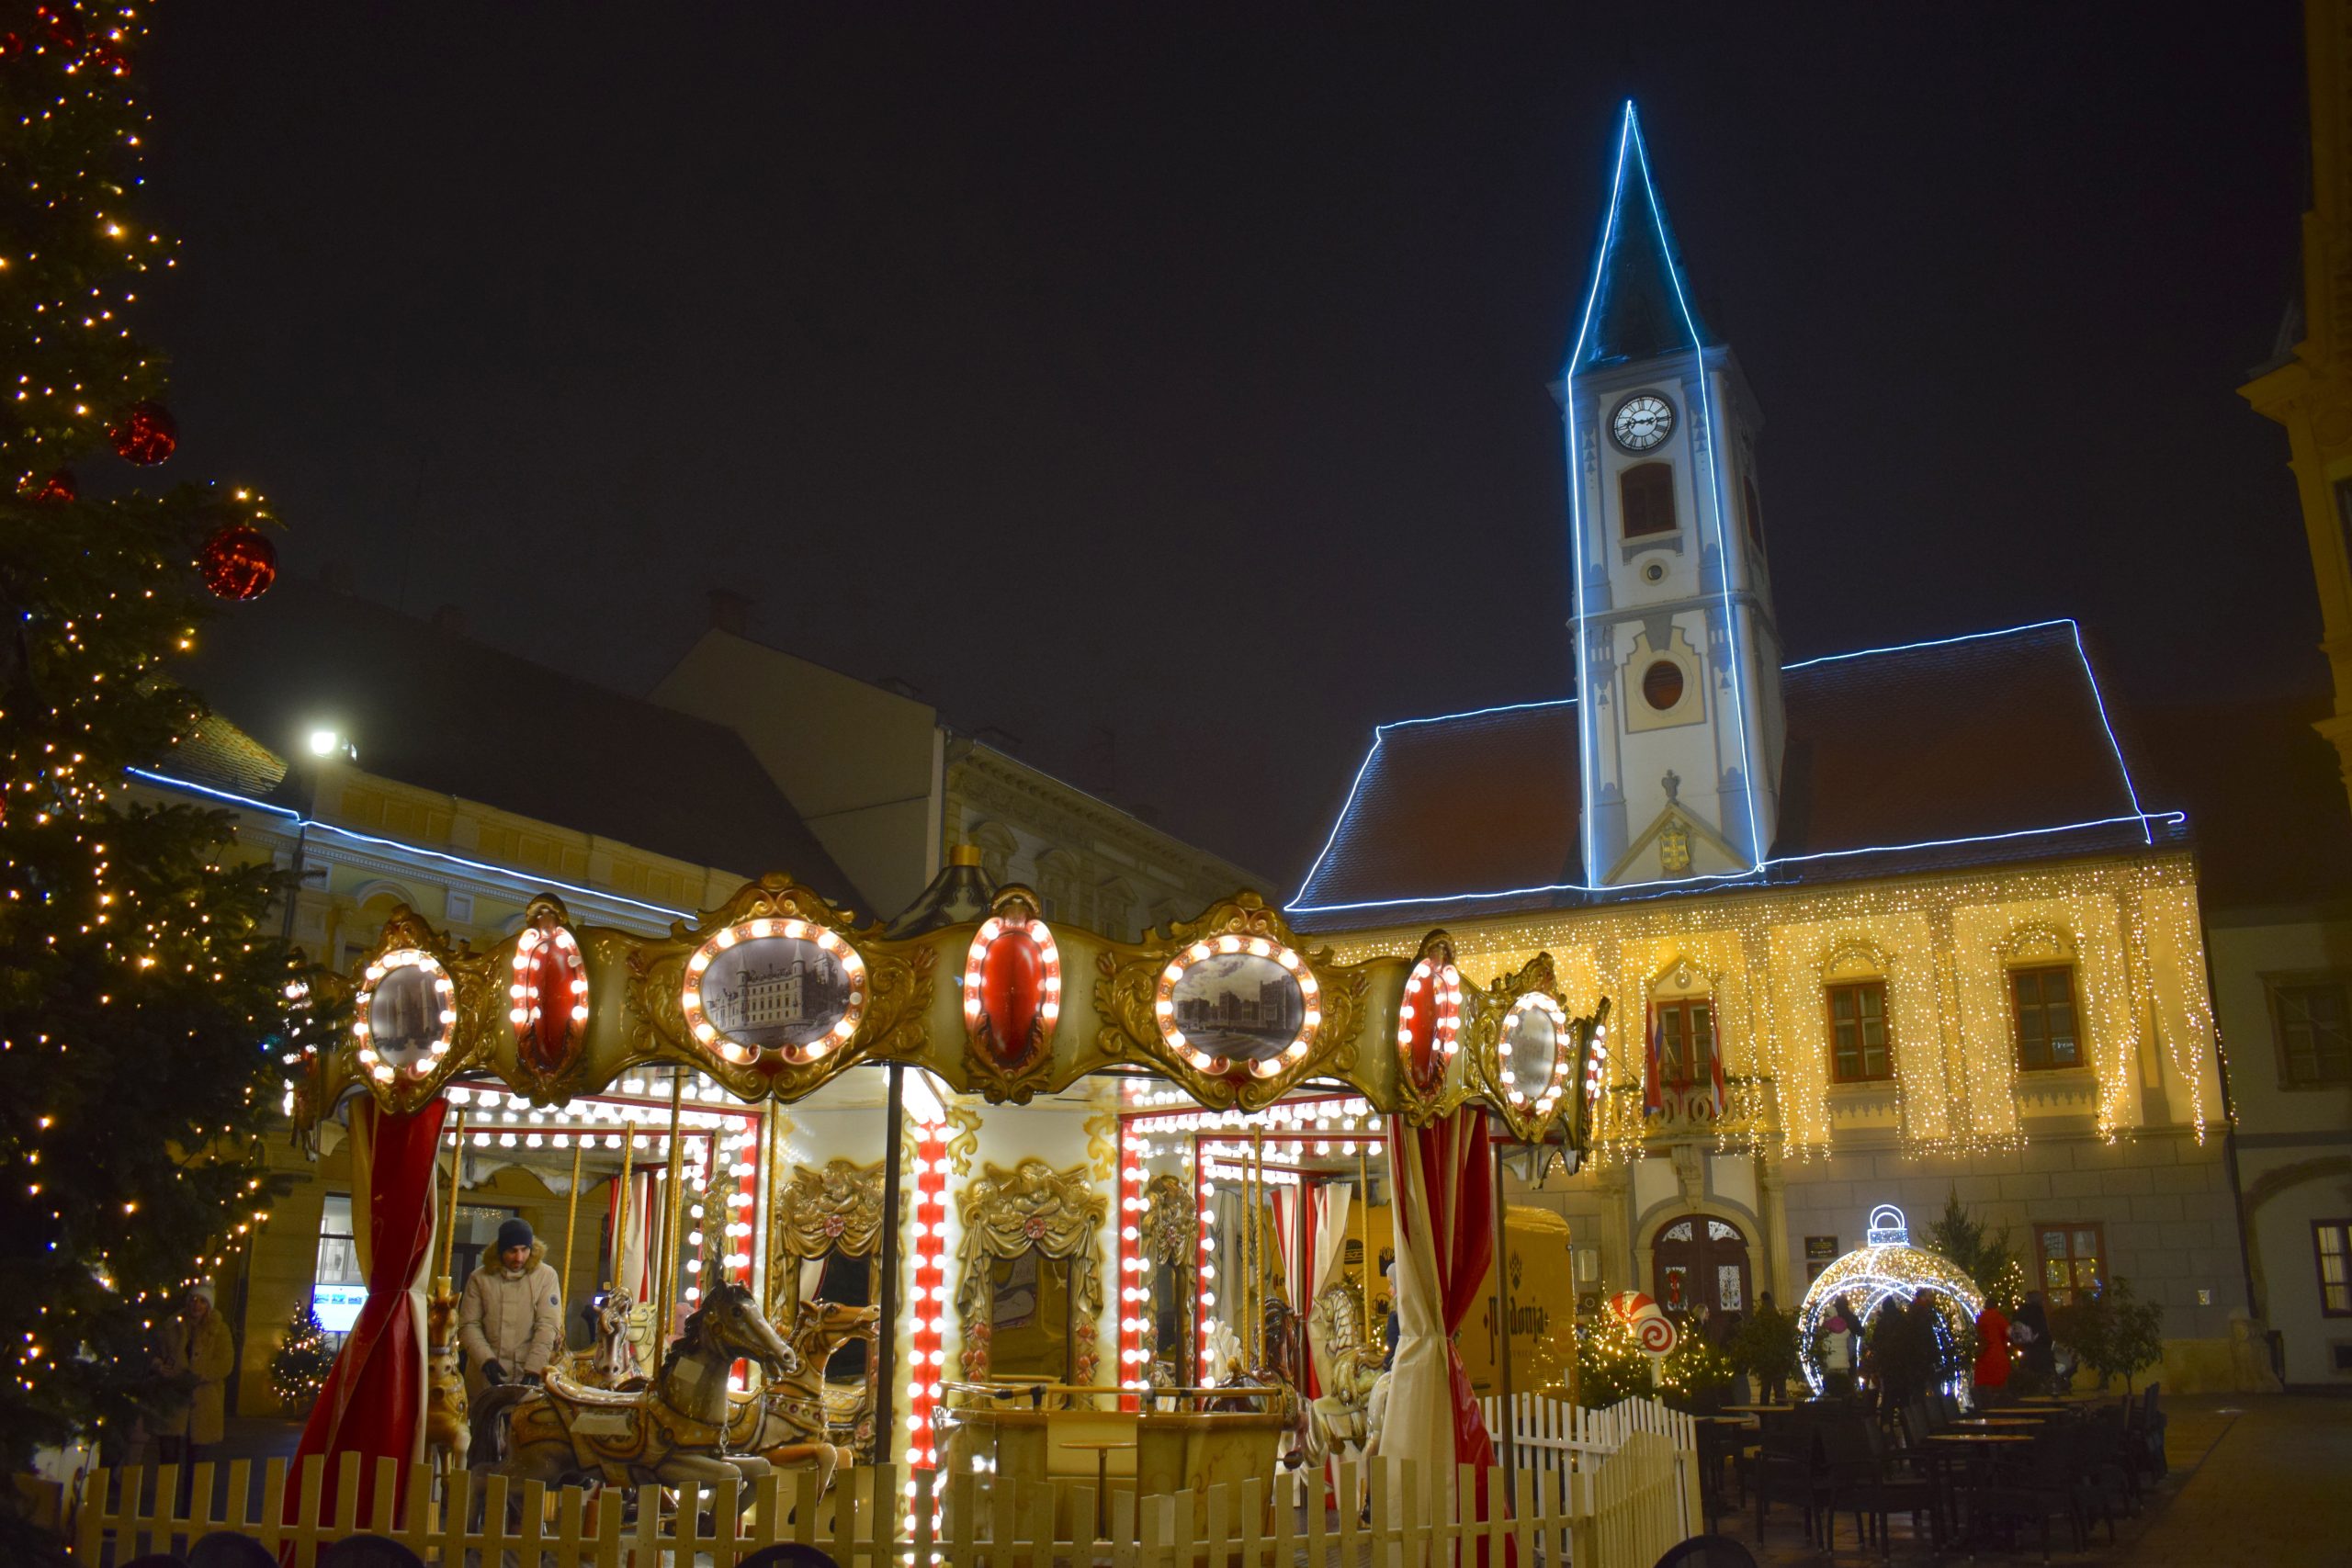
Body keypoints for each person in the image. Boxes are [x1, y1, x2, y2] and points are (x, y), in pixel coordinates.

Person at [458, 1217, 563, 1398]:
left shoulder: (546, 1276)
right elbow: (469, 1324)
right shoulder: (479, 1278)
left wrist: (534, 1369)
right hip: (485, 1374)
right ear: (501, 1251)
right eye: (512, 1251)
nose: (519, 1257)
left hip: (527, 1370)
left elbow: (547, 1324)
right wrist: (485, 1360)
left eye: (524, 1250)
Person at [153, 1284, 235, 1513]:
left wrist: (199, 1375)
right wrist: (161, 1367)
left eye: (202, 1300)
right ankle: (164, 1511)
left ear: (209, 1305)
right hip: (173, 1401)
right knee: (168, 1460)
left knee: (197, 1465)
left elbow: (225, 1363)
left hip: (204, 1403)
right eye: (193, 1299)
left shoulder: (220, 1331)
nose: (196, 1305)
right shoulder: (172, 1326)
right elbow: (157, 1353)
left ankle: (191, 1514)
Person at [2010, 1290, 2056, 1385]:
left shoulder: (2020, 1312)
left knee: (2030, 1383)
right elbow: (2043, 1332)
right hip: (2041, 1352)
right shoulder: (2037, 1312)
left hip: (2027, 1353)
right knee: (2044, 1382)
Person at [1973, 1298, 2013, 1396]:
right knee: (1999, 1388)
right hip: (1998, 1356)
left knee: (1985, 1390)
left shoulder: (1981, 1318)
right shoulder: (1998, 1317)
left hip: (1983, 1357)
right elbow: (2010, 1333)